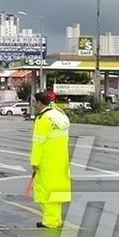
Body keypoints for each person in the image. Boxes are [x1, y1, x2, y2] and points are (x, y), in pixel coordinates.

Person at [29, 91, 72, 229]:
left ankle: (50, 221)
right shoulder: (60, 115)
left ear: (40, 103)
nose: (35, 106)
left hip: (47, 160)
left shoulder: (43, 119)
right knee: (57, 190)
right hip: (61, 159)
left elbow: (38, 142)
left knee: (46, 191)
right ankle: (56, 219)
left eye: (35, 103)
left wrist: (35, 162)